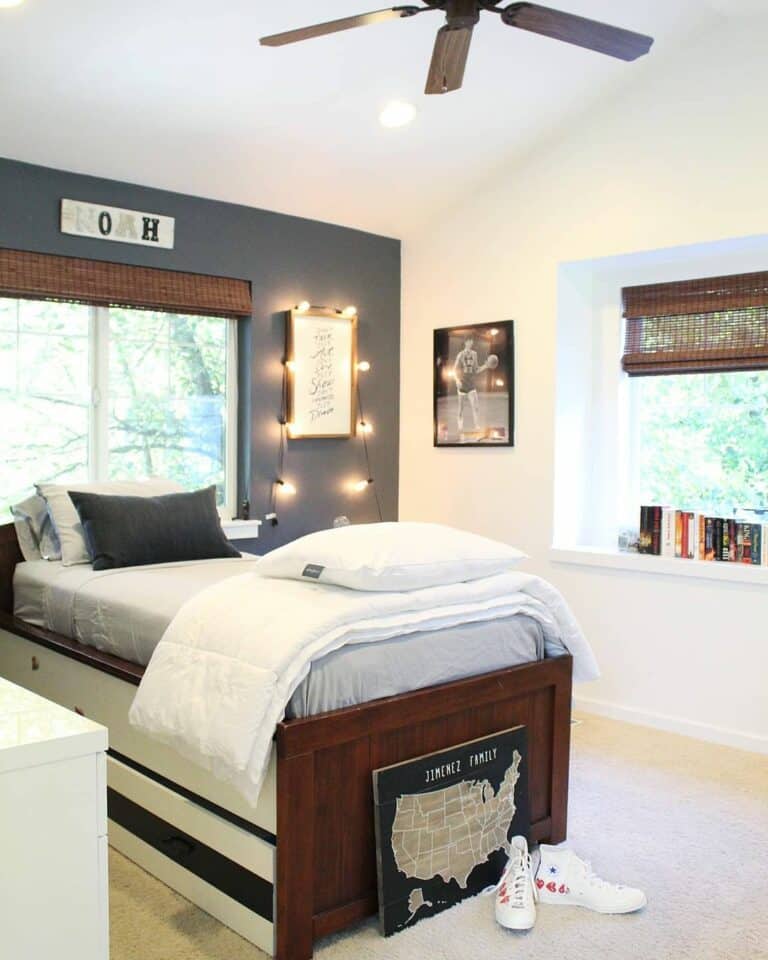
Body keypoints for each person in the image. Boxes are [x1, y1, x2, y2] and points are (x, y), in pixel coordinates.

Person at [453, 335, 491, 440]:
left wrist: (486, 366)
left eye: (471, 341)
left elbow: (476, 370)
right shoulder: (460, 355)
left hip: (471, 384)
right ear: (465, 342)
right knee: (461, 408)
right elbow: (454, 370)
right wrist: (457, 380)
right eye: (468, 341)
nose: (470, 343)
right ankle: (460, 429)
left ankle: (477, 426)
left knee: (476, 407)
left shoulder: (475, 354)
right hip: (462, 383)